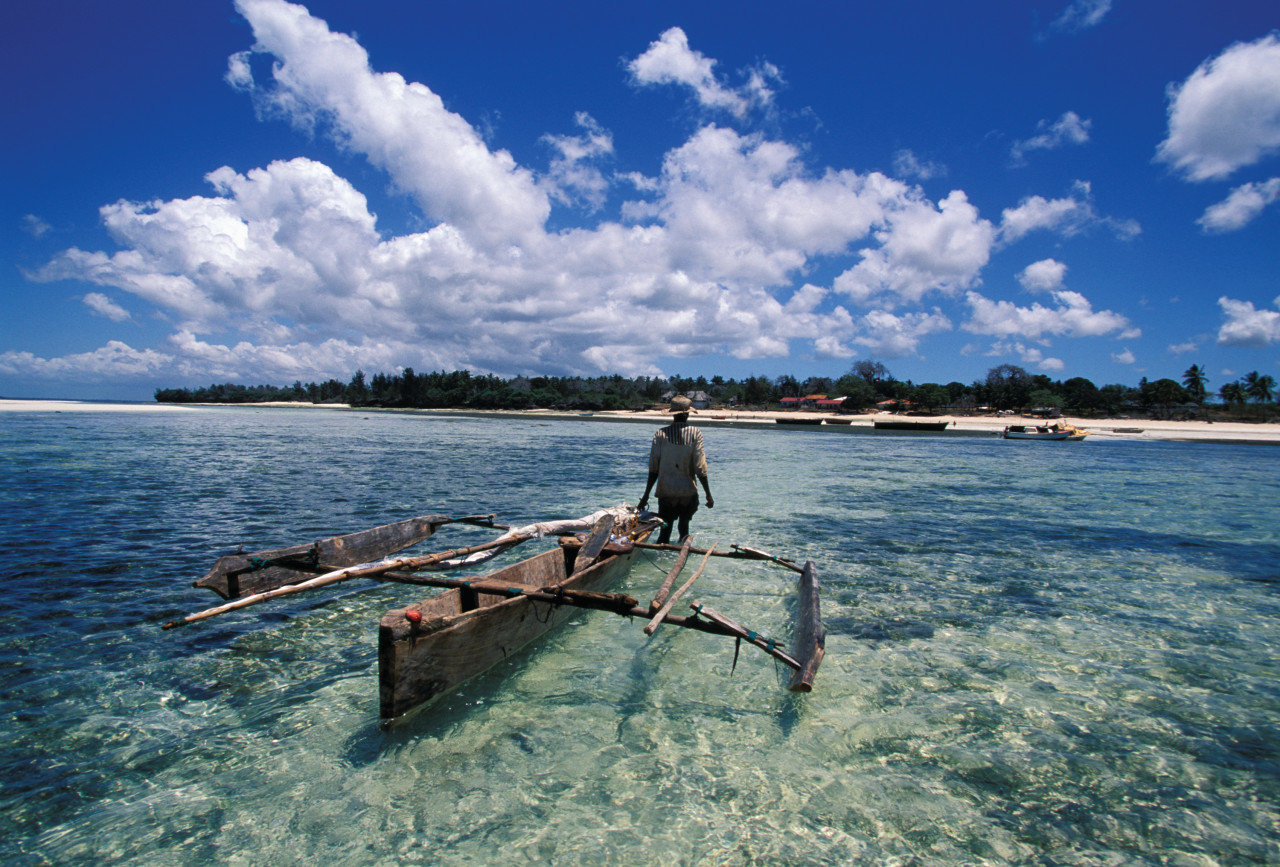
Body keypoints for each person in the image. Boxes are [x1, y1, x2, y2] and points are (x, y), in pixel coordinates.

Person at [638, 395, 713, 544]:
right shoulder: (695, 433)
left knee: (664, 532)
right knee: (684, 528)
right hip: (687, 492)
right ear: (687, 414)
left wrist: (645, 496)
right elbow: (700, 467)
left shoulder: (660, 434)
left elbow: (654, 469)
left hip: (666, 492)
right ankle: (681, 552)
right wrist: (708, 495)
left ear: (673, 414)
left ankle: (662, 557)